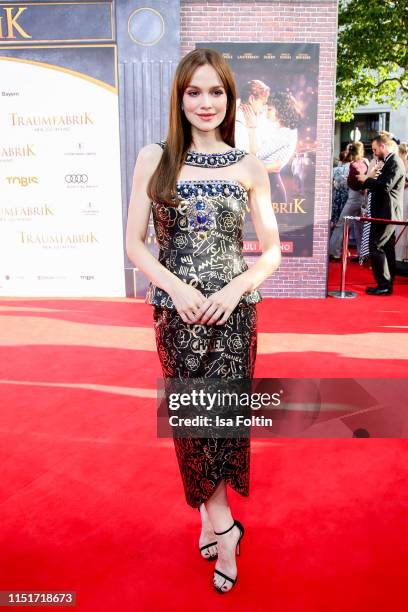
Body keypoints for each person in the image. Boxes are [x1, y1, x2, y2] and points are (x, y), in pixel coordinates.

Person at [125, 48, 281, 593]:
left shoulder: (247, 165)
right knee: (192, 424)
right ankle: (224, 525)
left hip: (234, 318)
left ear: (229, 98)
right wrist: (175, 286)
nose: (206, 102)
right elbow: (135, 244)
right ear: (179, 96)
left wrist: (238, 287)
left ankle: (216, 521)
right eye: (195, 91)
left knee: (223, 422)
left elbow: (269, 252)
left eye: (216, 91)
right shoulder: (155, 157)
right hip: (176, 314)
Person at [356, 133, 405, 295]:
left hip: (386, 213)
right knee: (386, 248)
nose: (374, 152)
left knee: (377, 246)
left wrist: (366, 180)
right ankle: (386, 283)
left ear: (383, 146)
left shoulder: (395, 162)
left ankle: (384, 285)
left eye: (376, 149)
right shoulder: (390, 162)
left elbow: (385, 186)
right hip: (385, 213)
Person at [241, 91, 301, 204]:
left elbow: (256, 154)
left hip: (271, 186)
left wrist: (251, 126)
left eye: (269, 109)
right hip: (266, 182)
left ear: (281, 111)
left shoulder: (285, 133)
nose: (266, 112)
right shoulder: (280, 130)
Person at [329, 142, 368, 259]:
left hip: (355, 197)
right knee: (359, 225)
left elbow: (357, 181)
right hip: (360, 197)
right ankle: (363, 254)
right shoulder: (364, 163)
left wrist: (360, 187)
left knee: (342, 222)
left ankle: (334, 251)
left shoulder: (356, 164)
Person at [234, 79, 270, 153]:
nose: (264, 108)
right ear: (251, 99)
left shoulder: (257, 117)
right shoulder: (238, 124)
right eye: (263, 103)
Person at [330, 150, 350, 234]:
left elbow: (330, 183)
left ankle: (334, 237)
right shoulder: (351, 169)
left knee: (335, 217)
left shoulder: (334, 170)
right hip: (348, 196)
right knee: (346, 218)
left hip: (336, 195)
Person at [395, 143, 408, 262]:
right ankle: (400, 256)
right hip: (402, 196)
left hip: (405, 196)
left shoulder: (401, 163)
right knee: (401, 224)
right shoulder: (400, 164)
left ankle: (402, 256)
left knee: (402, 224)